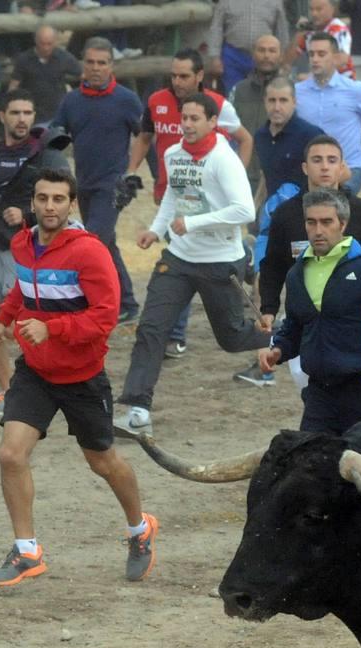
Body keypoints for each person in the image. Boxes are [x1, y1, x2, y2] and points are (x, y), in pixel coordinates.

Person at [0, 167, 159, 587]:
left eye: (58, 199)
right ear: (33, 202)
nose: (49, 207)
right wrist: (3, 320)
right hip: (36, 373)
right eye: (42, 198)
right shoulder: (23, 244)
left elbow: (105, 317)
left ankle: (139, 529)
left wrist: (51, 329)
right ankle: (27, 552)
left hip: (82, 377)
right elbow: (22, 289)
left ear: (71, 203)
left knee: (103, 461)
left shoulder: (89, 252)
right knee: (10, 455)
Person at [116, 93, 269, 434]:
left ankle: (288, 338)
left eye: (195, 118)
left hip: (219, 262)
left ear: (213, 122)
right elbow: (174, 194)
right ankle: (137, 410)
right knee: (151, 329)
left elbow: (244, 210)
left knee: (231, 338)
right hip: (179, 258)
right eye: (183, 118)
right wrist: (156, 230)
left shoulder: (223, 159)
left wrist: (195, 223)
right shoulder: (172, 154)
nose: (186, 124)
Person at [257, 189, 361, 434]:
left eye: (327, 222)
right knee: (310, 463)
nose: (318, 230)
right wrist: (278, 349)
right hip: (319, 390)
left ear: (342, 224)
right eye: (311, 222)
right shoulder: (297, 273)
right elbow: (296, 325)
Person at [125, 49, 253, 357]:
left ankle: (246, 261)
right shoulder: (156, 101)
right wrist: (131, 173)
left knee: (188, 257)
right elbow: (145, 137)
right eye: (173, 75)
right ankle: (173, 333)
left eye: (184, 75)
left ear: (199, 76)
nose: (178, 81)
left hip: (210, 203)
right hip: (172, 189)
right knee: (180, 257)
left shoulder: (220, 105)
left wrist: (235, 180)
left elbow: (245, 139)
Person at [247, 133, 361, 386]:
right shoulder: (285, 214)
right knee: (312, 395)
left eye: (332, 160)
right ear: (305, 167)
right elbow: (273, 266)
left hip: (355, 324)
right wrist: (268, 309)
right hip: (304, 324)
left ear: (342, 167)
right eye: (317, 160)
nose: (325, 166)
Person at [0, 90, 72, 417]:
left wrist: (26, 214)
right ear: (3, 117)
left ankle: (58, 378)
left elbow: (62, 200)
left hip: (27, 249)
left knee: (22, 324)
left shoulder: (45, 155)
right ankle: (10, 391)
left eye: (28, 112)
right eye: (15, 112)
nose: (22, 119)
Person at [54, 37, 143, 323]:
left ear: (111, 66)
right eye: (90, 62)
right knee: (106, 243)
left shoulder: (127, 100)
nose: (95, 68)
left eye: (101, 63)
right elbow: (57, 135)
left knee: (90, 243)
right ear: (83, 65)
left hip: (113, 185)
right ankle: (127, 302)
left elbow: (146, 136)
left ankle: (90, 304)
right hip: (82, 184)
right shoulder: (71, 100)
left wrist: (133, 173)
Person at [295, 32, 361, 195]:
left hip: (350, 167)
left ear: (335, 57)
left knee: (334, 209)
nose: (315, 59)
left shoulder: (355, 90)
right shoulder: (296, 93)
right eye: (311, 54)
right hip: (311, 170)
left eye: (321, 54)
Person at [226, 34, 285, 188]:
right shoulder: (238, 90)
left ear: (280, 55)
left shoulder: (292, 91)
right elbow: (226, 131)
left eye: (272, 51)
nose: (266, 55)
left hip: (278, 175)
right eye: (261, 50)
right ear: (253, 54)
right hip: (242, 174)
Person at [251, 75, 324, 199]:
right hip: (274, 213)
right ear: (265, 101)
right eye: (272, 100)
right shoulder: (260, 136)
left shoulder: (311, 135)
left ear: (294, 102)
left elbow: (342, 173)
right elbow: (266, 176)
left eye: (283, 100)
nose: (277, 108)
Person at [204, 0, 289, 92]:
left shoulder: (275, 2)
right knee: (233, 92)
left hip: (264, 56)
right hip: (233, 56)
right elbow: (217, 28)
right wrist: (215, 57)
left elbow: (281, 29)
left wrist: (282, 56)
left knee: (265, 92)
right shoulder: (225, 2)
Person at [8, 25, 80, 123]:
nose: (46, 48)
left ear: (55, 42)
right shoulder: (24, 59)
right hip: (31, 114)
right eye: (42, 44)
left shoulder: (64, 58)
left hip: (57, 114)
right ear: (36, 41)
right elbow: (13, 86)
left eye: (49, 44)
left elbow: (83, 75)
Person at [290, 0, 354, 77]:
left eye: (319, 9)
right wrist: (299, 33)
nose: (314, 14)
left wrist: (312, 76)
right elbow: (288, 61)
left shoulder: (338, 28)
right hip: (319, 82)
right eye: (311, 9)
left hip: (342, 81)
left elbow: (342, 60)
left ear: (332, 9)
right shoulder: (309, 31)